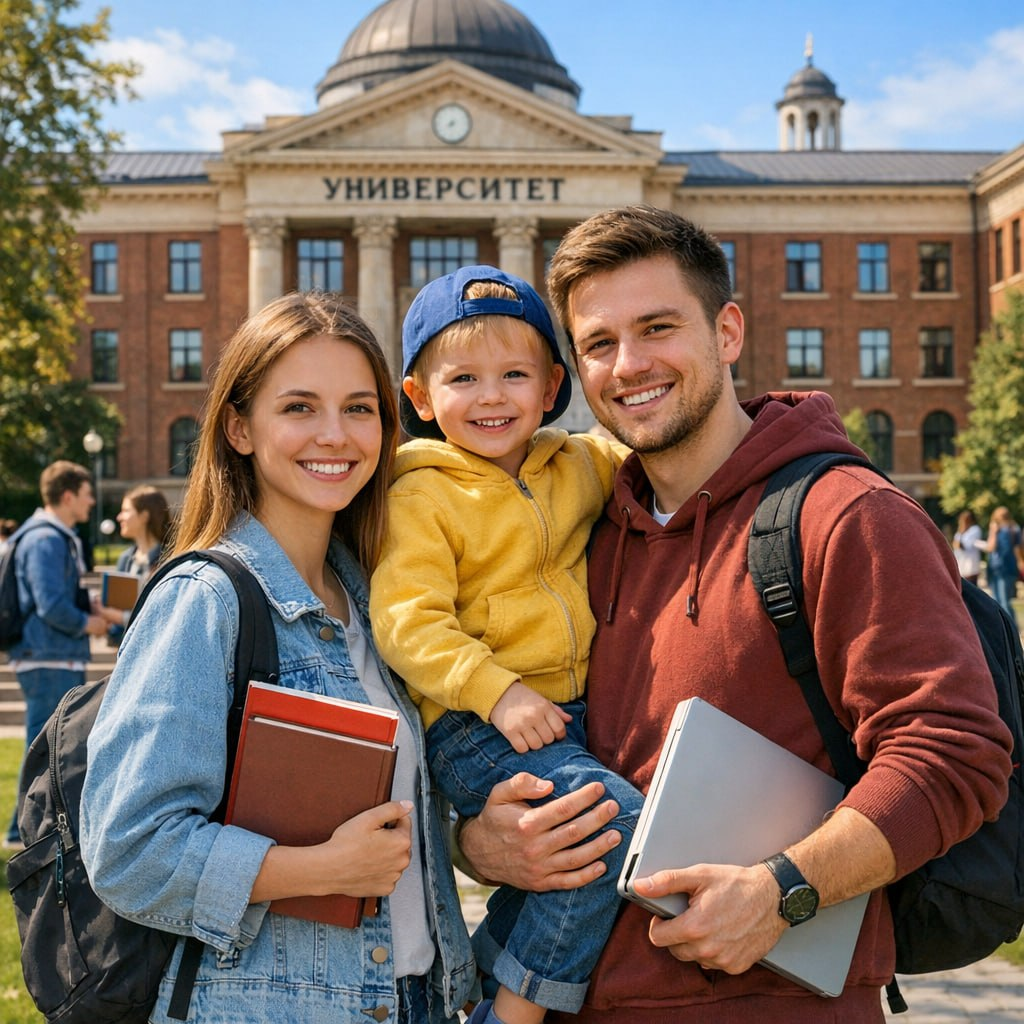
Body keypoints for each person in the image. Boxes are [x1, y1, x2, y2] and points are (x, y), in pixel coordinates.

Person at [457, 205, 1014, 1023]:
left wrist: (782, 891)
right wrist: (482, 847)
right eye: (599, 344)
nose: (630, 364)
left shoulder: (847, 514)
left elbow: (953, 755)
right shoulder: (589, 531)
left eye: (657, 327)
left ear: (727, 331)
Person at [79, 292, 475, 1023]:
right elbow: (129, 851)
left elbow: (400, 823)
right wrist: (319, 870)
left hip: (416, 998)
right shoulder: (207, 599)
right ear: (239, 427)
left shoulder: (374, 600)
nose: (336, 435)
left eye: (360, 409)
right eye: (298, 408)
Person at [369, 266, 640, 1024]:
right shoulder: (420, 493)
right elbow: (407, 622)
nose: (492, 396)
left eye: (514, 374)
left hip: (565, 713)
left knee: (558, 862)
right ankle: (513, 1012)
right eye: (463, 378)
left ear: (553, 385)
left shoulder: (579, 463)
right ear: (420, 397)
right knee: (606, 824)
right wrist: (497, 690)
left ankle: (487, 970)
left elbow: (673, 457)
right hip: (474, 724)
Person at [4, 462, 108, 850]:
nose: (91, 500)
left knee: (46, 746)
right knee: (44, 749)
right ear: (68, 496)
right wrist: (88, 623)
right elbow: (50, 604)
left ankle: (28, 831)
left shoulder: (48, 537)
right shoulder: (46, 539)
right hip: (47, 656)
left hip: (49, 653)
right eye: (86, 494)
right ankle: (25, 833)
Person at [96, 484, 172, 645]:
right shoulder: (125, 559)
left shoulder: (169, 560)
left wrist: (119, 617)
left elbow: (164, 614)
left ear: (144, 516)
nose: (119, 517)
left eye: (126, 511)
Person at [979, 505, 1022, 625]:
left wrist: (993, 532)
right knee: (1000, 601)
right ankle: (1006, 628)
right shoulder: (1015, 528)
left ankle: (1011, 629)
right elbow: (1018, 549)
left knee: (1002, 601)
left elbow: (990, 547)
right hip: (1000, 568)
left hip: (1003, 568)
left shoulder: (1007, 529)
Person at [952, 509, 983, 585]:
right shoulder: (959, 532)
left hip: (970, 567)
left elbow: (962, 545)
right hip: (961, 567)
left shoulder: (975, 530)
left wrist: (962, 530)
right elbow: (954, 544)